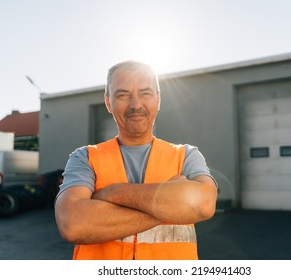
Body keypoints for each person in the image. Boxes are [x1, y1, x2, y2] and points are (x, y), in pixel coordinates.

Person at [54, 60, 218, 260]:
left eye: (145, 93)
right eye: (123, 95)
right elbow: (73, 224)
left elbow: (204, 203)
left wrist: (114, 192)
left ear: (158, 99)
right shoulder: (85, 158)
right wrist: (173, 206)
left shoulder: (186, 155)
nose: (135, 104)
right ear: (108, 102)